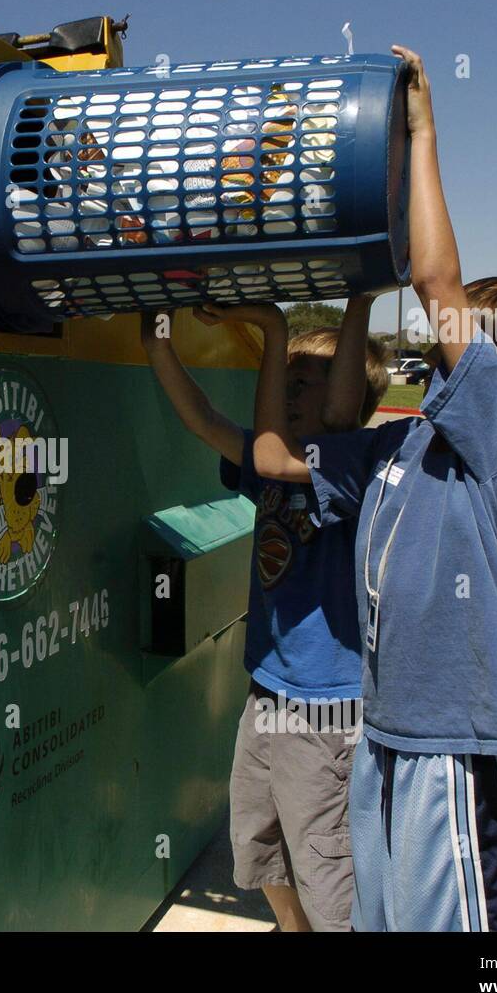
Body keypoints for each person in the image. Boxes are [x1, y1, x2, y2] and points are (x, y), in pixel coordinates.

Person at [248, 45, 497, 930]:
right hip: (387, 738)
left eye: (475, 341)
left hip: (457, 746)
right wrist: (277, 331)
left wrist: (420, 136)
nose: (449, 343)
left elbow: (437, 287)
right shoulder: (401, 446)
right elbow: (282, 461)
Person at [140, 298, 389, 931]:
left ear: (351, 394)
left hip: (328, 706)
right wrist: (158, 341)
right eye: (287, 379)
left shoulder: (350, 471)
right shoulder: (267, 466)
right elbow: (201, 416)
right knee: (257, 841)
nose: (288, 390)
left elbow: (326, 424)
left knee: (323, 858)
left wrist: (273, 327)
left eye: (306, 381)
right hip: (269, 692)